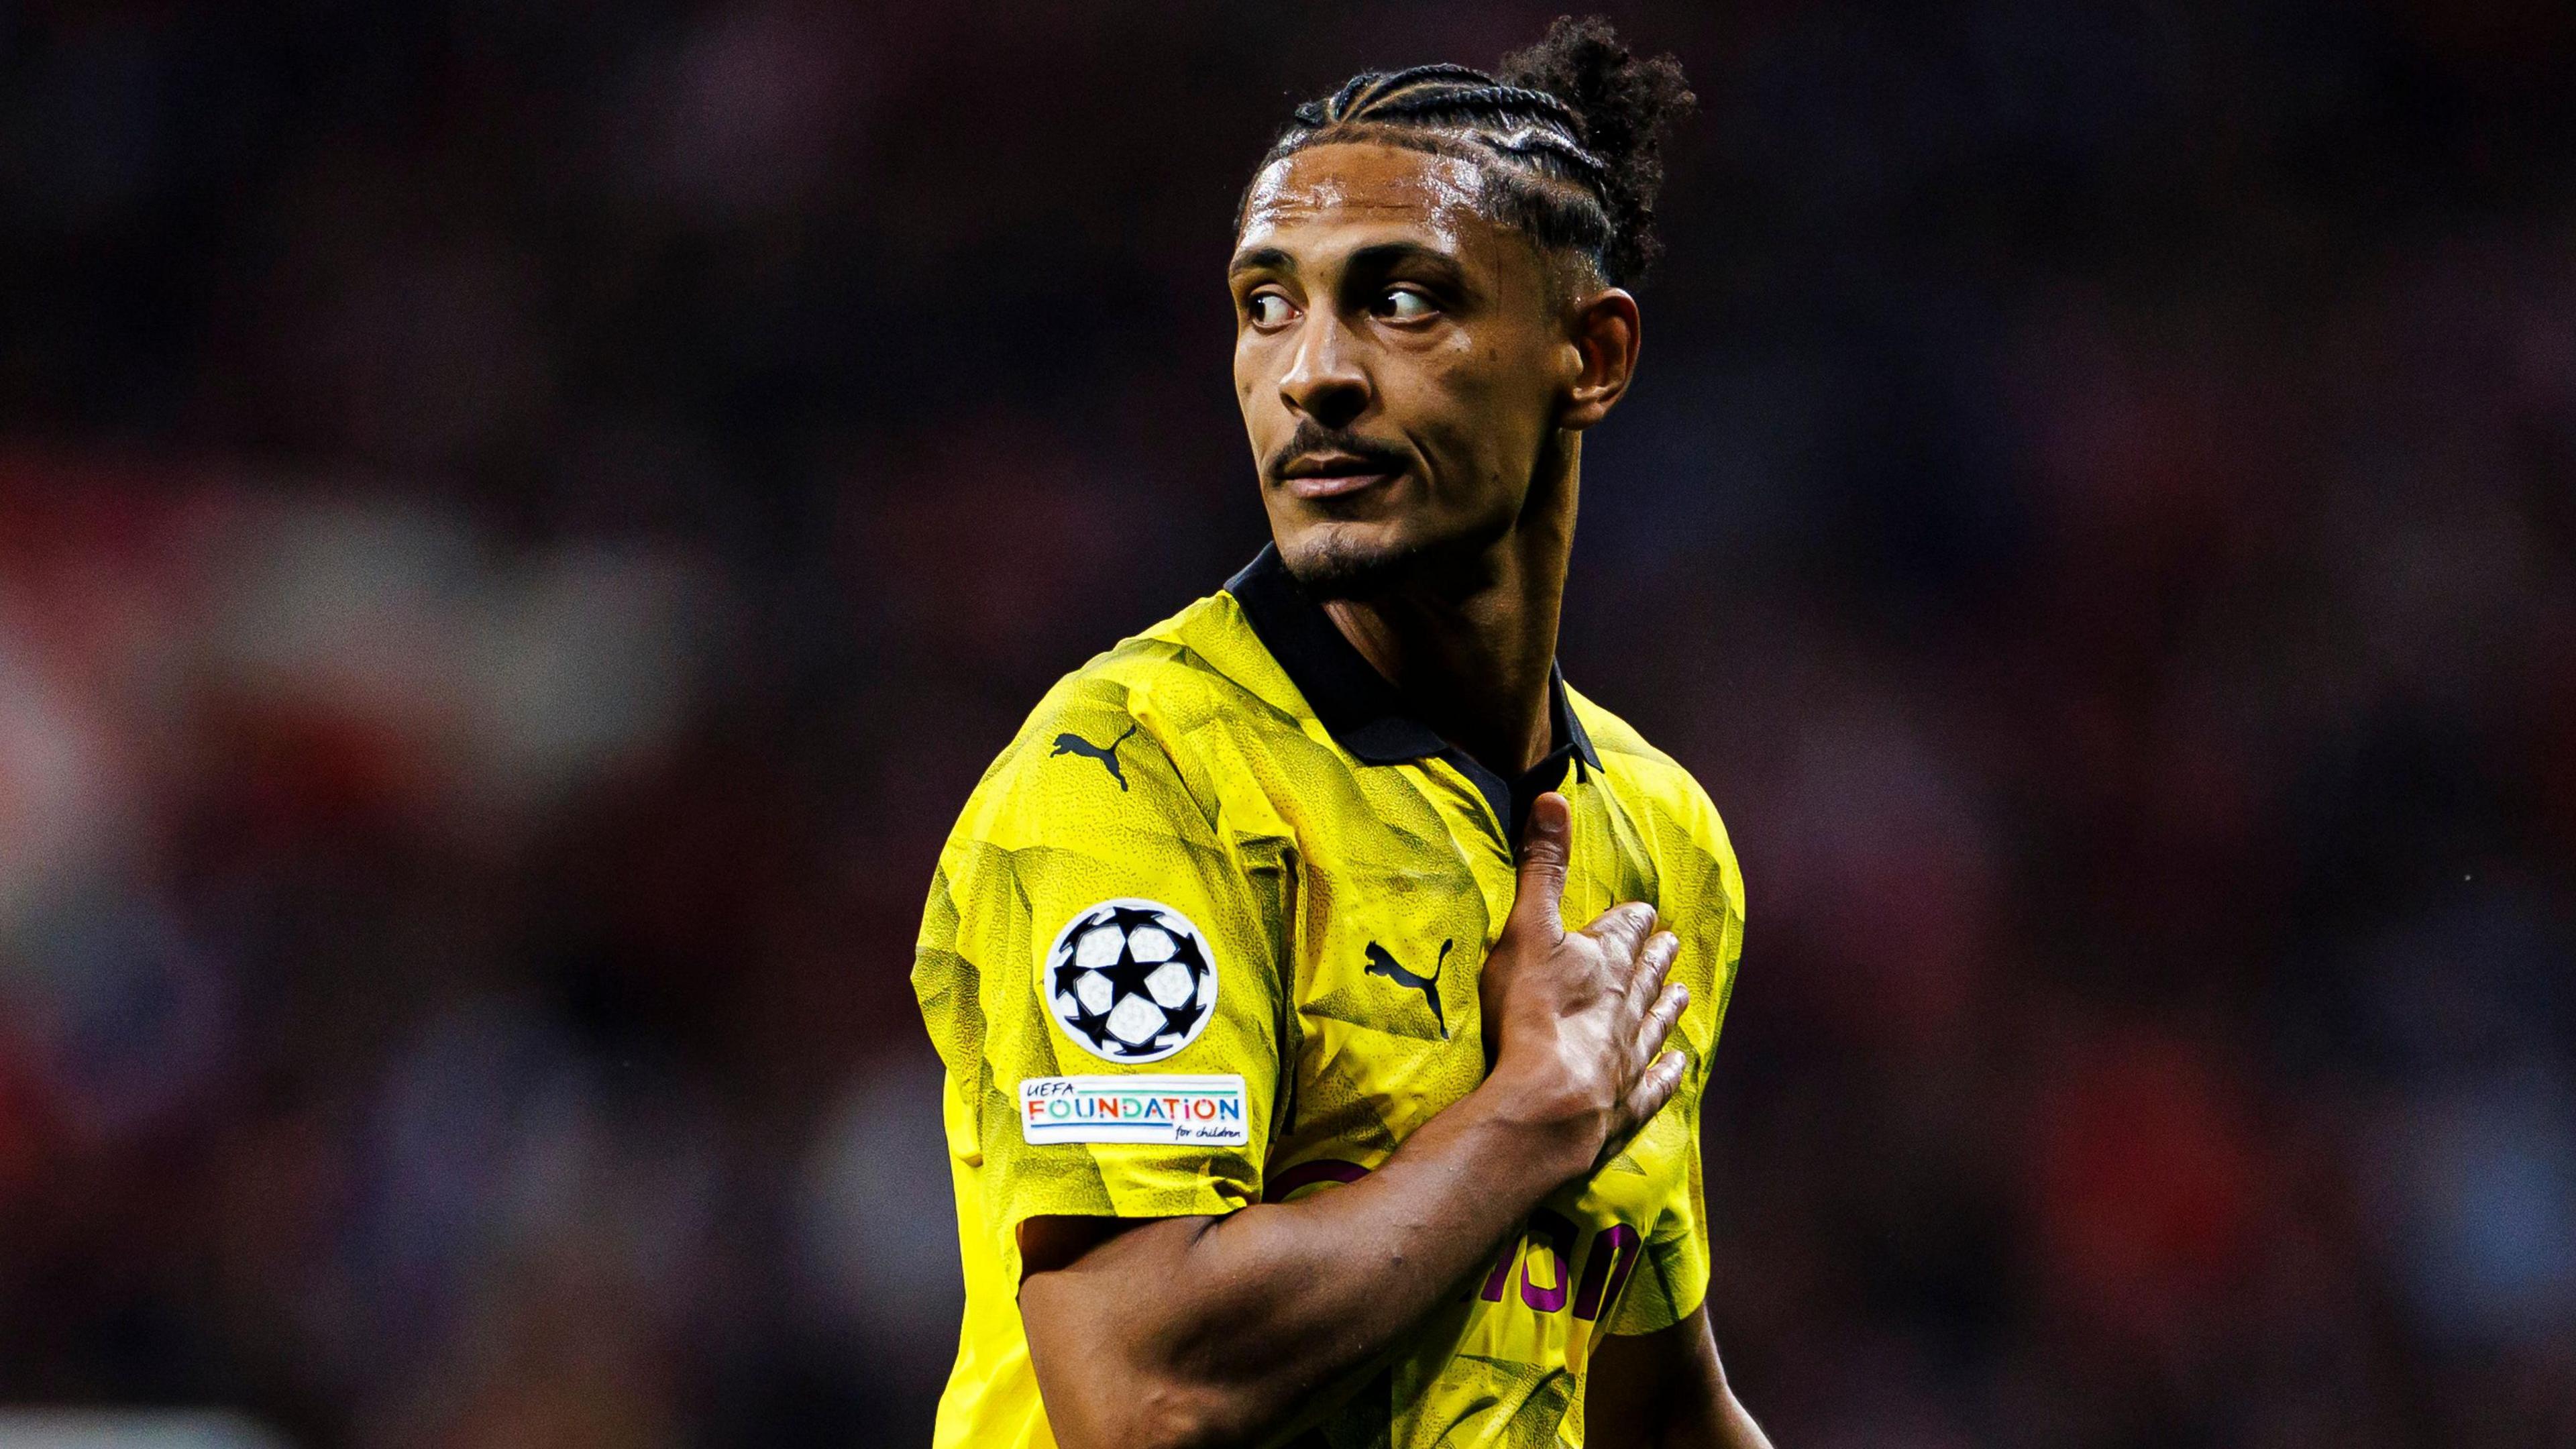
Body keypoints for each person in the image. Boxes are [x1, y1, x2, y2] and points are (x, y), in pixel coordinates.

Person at [910, 17, 1768, 1448]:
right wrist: (1523, 1123)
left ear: (1592, 354)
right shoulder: (1136, 776)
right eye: (1267, 304)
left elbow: (1651, 1410)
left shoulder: (1660, 839)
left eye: (1404, 300)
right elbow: (1142, 1394)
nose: (1311, 372)